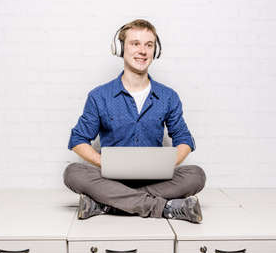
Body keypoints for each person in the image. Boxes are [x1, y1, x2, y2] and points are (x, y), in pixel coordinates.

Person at [63, 19, 206, 222]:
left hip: (155, 179)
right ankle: (163, 208)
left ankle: (107, 204)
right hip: (110, 179)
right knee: (72, 173)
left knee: (196, 175)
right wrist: (102, 162)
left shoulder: (168, 96)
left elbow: (184, 139)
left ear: (155, 51)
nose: (143, 51)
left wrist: (168, 163)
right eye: (135, 43)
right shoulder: (99, 96)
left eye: (149, 45)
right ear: (121, 48)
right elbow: (78, 140)